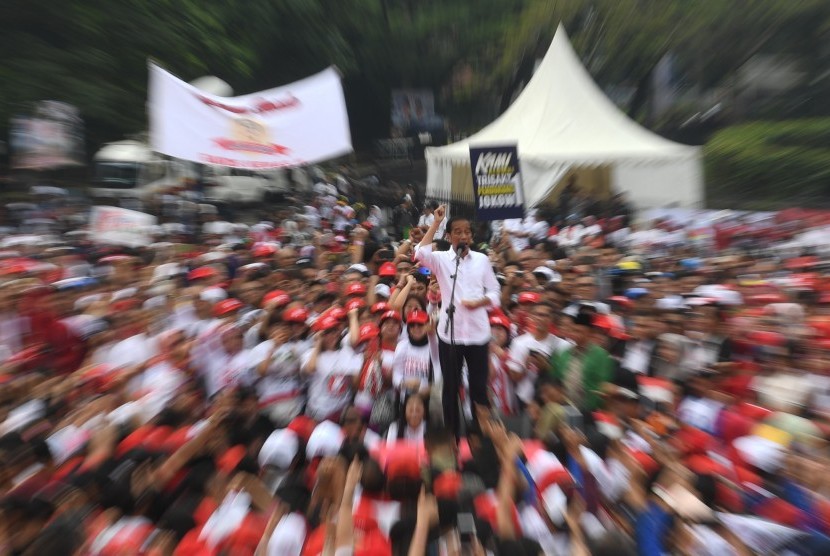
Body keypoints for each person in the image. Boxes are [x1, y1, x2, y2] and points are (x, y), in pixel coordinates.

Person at [415, 205, 501, 436]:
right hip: (449, 334)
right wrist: (435, 223)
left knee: (478, 390)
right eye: (458, 231)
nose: (463, 236)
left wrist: (481, 302)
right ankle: (452, 437)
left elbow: (495, 293)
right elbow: (419, 253)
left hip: (478, 335)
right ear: (450, 236)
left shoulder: (482, 260)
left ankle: (478, 437)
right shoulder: (441, 259)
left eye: (467, 232)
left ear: (472, 236)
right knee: (450, 389)